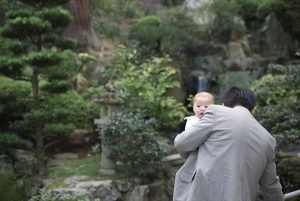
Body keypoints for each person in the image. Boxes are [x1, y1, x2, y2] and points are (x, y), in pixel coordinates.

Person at [173, 86, 283, 201]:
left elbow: (181, 143)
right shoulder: (268, 139)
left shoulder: (216, 112)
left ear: (224, 105)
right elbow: (272, 188)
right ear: (253, 110)